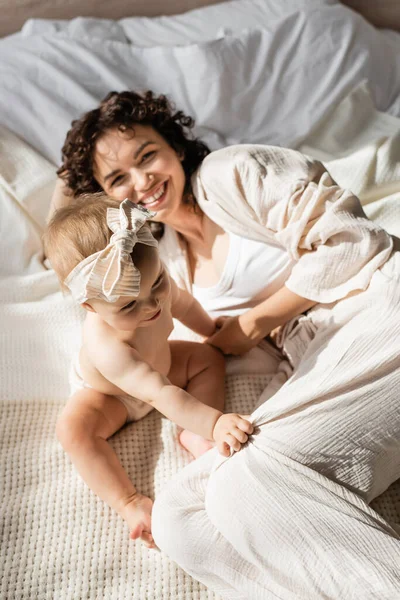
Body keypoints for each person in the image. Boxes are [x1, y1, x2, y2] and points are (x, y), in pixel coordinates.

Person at [49, 90, 400, 598]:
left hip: (373, 309)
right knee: (182, 518)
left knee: (233, 487)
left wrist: (249, 325)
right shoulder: (155, 258)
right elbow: (64, 245)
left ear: (175, 145)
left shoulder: (228, 175)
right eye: (117, 179)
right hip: (321, 355)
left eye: (147, 156)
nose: (142, 182)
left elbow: (354, 239)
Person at [43, 193, 253, 550]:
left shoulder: (155, 285)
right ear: (89, 306)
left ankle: (192, 435)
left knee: (209, 358)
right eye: (128, 304)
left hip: (162, 365)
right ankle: (129, 502)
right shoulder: (106, 346)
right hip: (113, 396)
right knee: (73, 429)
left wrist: (209, 330)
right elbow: (159, 392)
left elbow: (184, 304)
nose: (153, 303)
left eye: (156, 282)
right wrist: (216, 422)